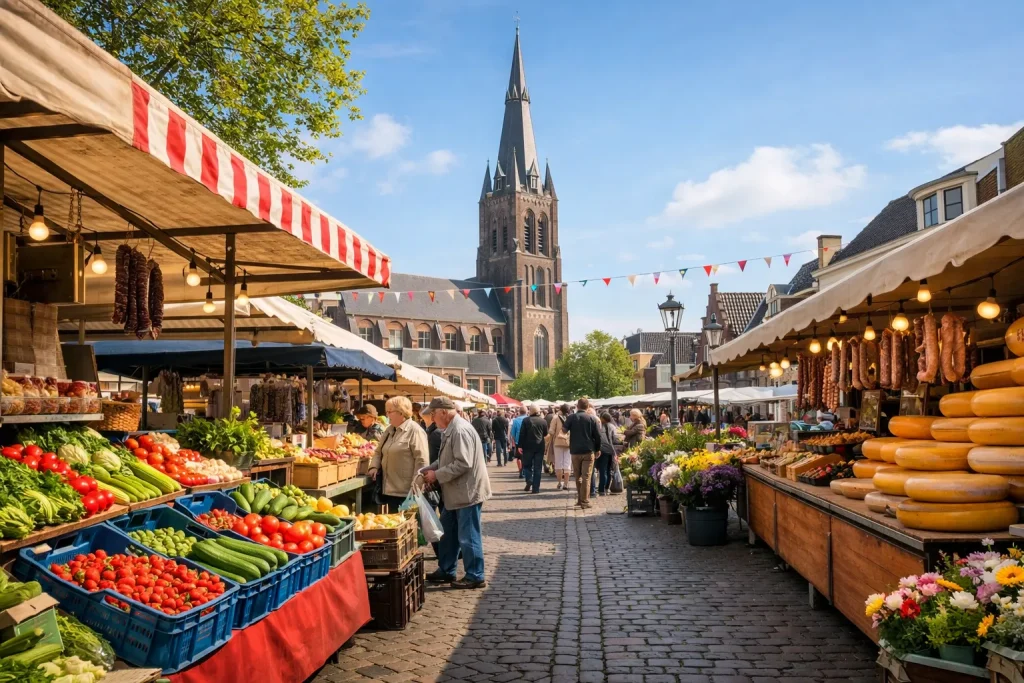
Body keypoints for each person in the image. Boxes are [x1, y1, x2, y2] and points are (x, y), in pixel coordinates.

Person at [422, 397, 492, 589]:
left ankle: (475, 575)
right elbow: (447, 459)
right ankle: (446, 569)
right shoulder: (450, 429)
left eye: (433, 414)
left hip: (466, 493)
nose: (432, 418)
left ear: (444, 412)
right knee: (447, 532)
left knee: (468, 535)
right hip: (456, 493)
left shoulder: (459, 430)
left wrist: (436, 475)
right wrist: (431, 468)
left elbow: (463, 463)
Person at [367, 397, 429, 511]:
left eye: (389, 412)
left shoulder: (415, 431)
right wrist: (374, 466)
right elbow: (378, 452)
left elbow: (422, 461)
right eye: (386, 411)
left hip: (406, 493)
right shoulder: (389, 430)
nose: (386, 415)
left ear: (401, 412)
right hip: (389, 490)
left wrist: (416, 487)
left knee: (408, 526)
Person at [561, 397, 603, 509]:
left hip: (575, 451)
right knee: (586, 477)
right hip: (588, 451)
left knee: (578, 476)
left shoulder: (571, 417)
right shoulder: (592, 419)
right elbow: (598, 436)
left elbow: (563, 431)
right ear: (588, 407)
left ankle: (580, 500)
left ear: (577, 406)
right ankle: (584, 501)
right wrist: (598, 449)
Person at [519, 405, 548, 493]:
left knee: (527, 465)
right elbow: (545, 433)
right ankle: (536, 488)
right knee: (538, 467)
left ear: (530, 411)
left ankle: (529, 479)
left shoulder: (526, 420)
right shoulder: (543, 421)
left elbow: (522, 434)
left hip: (527, 446)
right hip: (539, 446)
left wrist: (519, 446)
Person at [593, 412, 619, 495]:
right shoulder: (612, 426)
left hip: (602, 449)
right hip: (610, 450)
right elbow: (615, 439)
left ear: (603, 419)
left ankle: (601, 489)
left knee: (602, 470)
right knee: (608, 469)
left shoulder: (600, 426)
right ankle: (606, 488)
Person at [547, 404, 572, 491]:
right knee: (567, 463)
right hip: (569, 443)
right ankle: (566, 483)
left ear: (560, 409)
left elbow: (551, 431)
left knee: (558, 462)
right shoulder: (571, 418)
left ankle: (559, 483)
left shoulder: (555, 418)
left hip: (557, 442)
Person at [510, 407, 528, 477]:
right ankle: (524, 470)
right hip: (527, 441)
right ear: (526, 412)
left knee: (519, 457)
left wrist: (513, 441)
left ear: (519, 412)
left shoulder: (515, 420)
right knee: (526, 456)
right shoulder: (528, 419)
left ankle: (520, 470)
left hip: (518, 440)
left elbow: (513, 433)